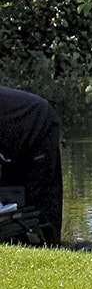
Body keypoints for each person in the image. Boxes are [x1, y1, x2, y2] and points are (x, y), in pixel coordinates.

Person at [0, 86, 63, 246]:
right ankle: (18, 241)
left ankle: (50, 245)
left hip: (39, 125)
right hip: (12, 141)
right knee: (11, 199)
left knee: (40, 201)